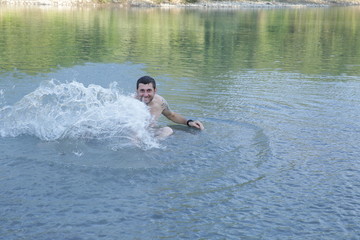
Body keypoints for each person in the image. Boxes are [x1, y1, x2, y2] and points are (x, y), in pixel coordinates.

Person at [135, 76, 204, 138]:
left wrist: (189, 122)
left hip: (150, 132)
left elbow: (171, 115)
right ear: (137, 90)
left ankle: (154, 147)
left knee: (168, 130)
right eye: (142, 91)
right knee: (135, 135)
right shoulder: (130, 104)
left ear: (155, 91)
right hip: (132, 133)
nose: (145, 94)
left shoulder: (160, 102)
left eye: (149, 90)